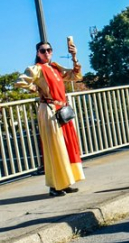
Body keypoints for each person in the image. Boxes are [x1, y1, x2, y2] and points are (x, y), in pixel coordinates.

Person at [15, 41, 85, 197]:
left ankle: (66, 182)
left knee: (66, 146)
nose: (46, 53)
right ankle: (55, 186)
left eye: (49, 50)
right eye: (43, 51)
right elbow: (19, 82)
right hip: (49, 110)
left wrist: (74, 56)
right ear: (38, 53)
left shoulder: (55, 67)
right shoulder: (36, 69)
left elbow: (75, 75)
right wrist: (35, 88)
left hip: (62, 110)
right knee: (55, 148)